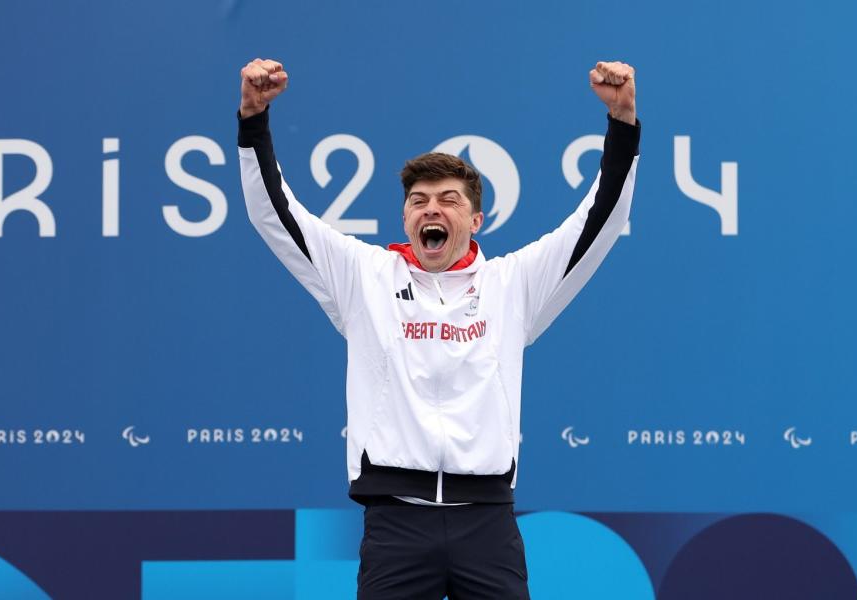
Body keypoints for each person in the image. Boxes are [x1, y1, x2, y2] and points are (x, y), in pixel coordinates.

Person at [238, 57, 639, 600]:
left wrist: (622, 124)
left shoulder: (512, 283)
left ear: (476, 221)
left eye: (449, 200)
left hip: (488, 525)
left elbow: (600, 220)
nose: (433, 209)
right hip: (396, 526)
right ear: (405, 218)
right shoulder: (365, 276)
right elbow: (276, 215)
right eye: (419, 201)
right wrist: (253, 119)